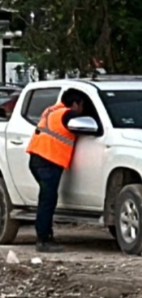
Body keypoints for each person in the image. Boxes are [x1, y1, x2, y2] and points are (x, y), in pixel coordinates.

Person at [26, 87, 95, 253]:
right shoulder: (66, 114)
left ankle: (45, 236)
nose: (82, 109)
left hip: (38, 159)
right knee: (47, 201)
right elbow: (85, 121)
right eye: (81, 105)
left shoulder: (52, 111)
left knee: (47, 199)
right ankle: (43, 240)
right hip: (47, 161)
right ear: (74, 104)